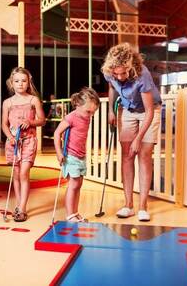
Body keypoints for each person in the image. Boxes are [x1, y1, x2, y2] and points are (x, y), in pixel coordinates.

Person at [101, 43, 162, 222]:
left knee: (144, 154)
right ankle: (128, 205)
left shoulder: (142, 74)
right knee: (126, 155)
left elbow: (150, 111)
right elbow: (112, 87)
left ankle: (143, 206)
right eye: (116, 73)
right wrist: (112, 110)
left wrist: (139, 138)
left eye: (123, 73)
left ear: (130, 66)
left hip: (149, 111)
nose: (119, 77)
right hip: (127, 110)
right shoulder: (109, 72)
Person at [1, 67, 46, 222]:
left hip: (28, 141)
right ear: (11, 83)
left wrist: (30, 121)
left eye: (23, 81)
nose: (20, 84)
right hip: (13, 143)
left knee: (23, 173)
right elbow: (4, 124)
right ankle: (19, 204)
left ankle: (22, 207)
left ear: (28, 83)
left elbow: (42, 120)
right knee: (16, 174)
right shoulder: (7, 103)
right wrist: (10, 137)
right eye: (17, 81)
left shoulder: (33, 100)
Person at [53, 87, 100, 222]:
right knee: (73, 185)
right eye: (88, 111)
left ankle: (75, 212)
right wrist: (59, 152)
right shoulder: (71, 117)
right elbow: (57, 133)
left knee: (79, 185)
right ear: (78, 105)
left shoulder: (86, 117)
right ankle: (69, 214)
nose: (90, 115)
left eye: (93, 113)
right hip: (71, 155)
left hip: (81, 156)